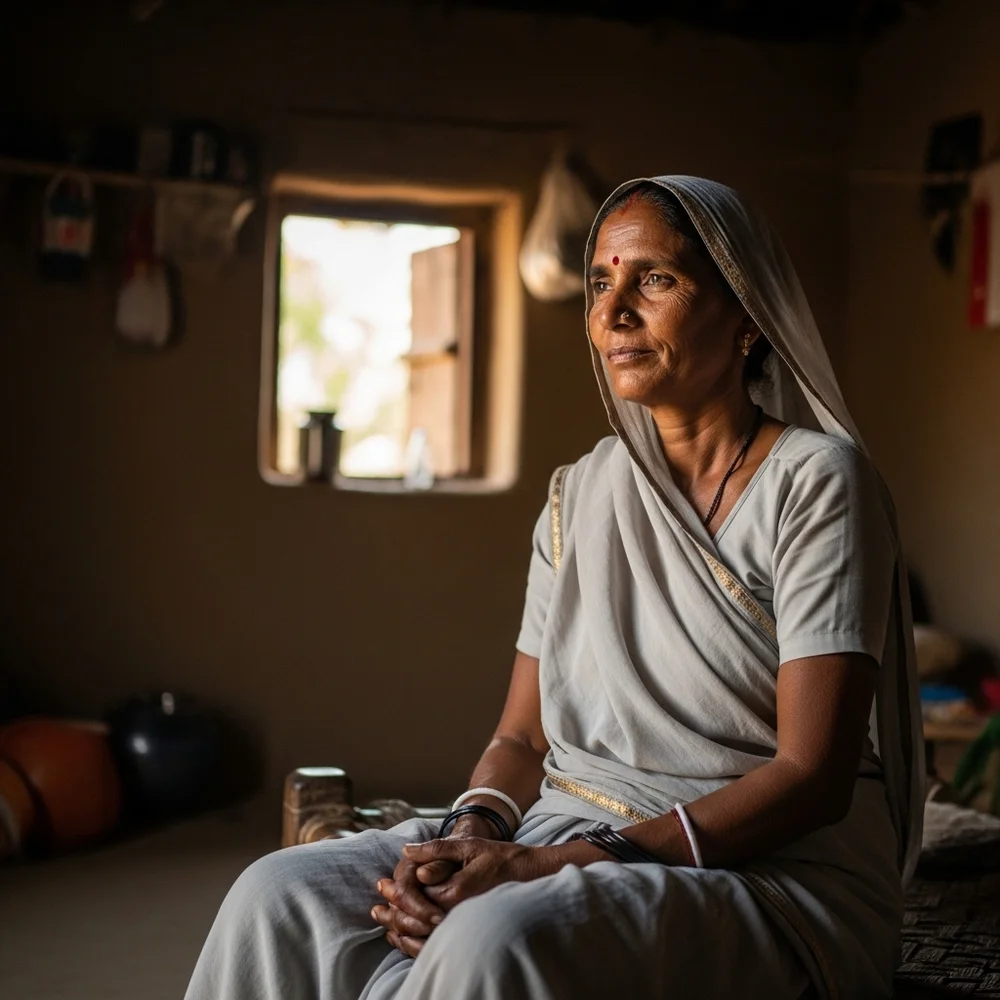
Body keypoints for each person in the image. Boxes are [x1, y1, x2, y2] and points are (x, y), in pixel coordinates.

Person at [185, 176, 923, 1000]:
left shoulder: (818, 482)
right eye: (601, 284)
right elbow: (523, 741)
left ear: (747, 313)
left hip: (765, 868)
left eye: (655, 279)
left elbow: (810, 777)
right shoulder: (583, 492)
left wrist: (553, 865)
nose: (612, 314)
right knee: (277, 895)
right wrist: (472, 834)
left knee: (494, 938)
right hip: (567, 820)